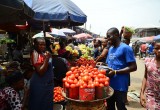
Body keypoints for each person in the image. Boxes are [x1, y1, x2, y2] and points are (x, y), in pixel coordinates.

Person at [106, 27, 137, 110]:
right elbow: (110, 64)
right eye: (107, 37)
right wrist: (103, 65)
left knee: (121, 107)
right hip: (109, 85)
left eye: (109, 36)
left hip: (120, 85)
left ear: (116, 35)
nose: (108, 39)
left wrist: (116, 72)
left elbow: (133, 67)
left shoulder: (126, 48)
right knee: (109, 107)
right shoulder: (110, 49)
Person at [29, 37, 54, 110]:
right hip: (40, 85)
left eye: (44, 44)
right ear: (35, 45)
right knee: (39, 105)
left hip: (46, 85)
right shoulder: (35, 53)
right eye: (40, 44)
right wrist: (47, 59)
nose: (43, 46)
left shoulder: (43, 53)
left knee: (46, 105)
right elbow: (40, 72)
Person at [140, 42, 160, 109]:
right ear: (153, 49)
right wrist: (142, 94)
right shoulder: (148, 62)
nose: (159, 50)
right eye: (157, 48)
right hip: (151, 96)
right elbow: (145, 77)